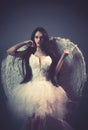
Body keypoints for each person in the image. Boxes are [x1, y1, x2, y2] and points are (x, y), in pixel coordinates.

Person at [2, 27, 78, 130]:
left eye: (41, 38)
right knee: (33, 121)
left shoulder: (50, 54)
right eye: (36, 37)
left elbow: (55, 72)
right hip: (31, 90)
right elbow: (10, 51)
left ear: (44, 39)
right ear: (33, 39)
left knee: (38, 120)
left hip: (47, 90)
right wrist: (25, 43)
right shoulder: (29, 53)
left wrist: (64, 56)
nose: (38, 40)